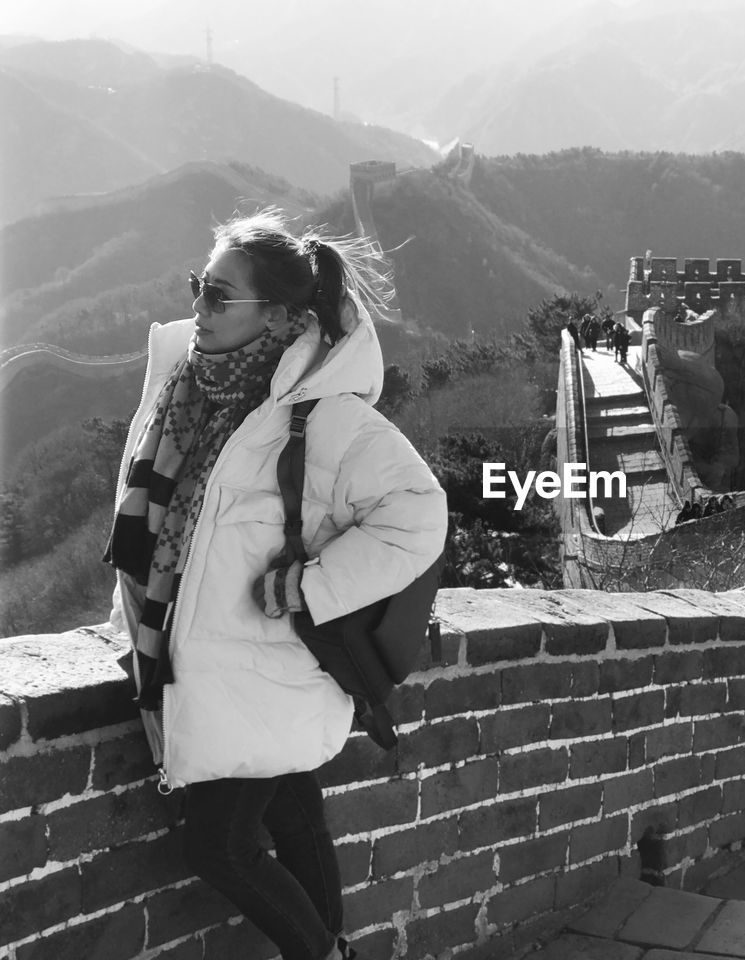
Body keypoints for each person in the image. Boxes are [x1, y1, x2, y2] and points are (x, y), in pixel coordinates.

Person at [105, 209, 448, 960]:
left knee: (220, 850)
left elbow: (420, 517)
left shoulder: (322, 419)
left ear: (283, 316)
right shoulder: (192, 394)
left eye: (219, 296)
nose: (197, 307)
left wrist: (309, 587)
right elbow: (163, 536)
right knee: (293, 817)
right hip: (222, 668)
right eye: (200, 286)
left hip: (265, 673)